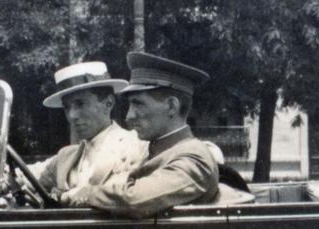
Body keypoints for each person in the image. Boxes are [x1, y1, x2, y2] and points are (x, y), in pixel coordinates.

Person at [61, 52, 220, 218]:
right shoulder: (153, 152)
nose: (129, 116)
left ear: (172, 106)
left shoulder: (194, 158)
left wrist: (84, 193)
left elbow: (135, 199)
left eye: (138, 104)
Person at [33, 61, 146, 195]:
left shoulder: (135, 145)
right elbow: (25, 175)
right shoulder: (66, 156)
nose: (72, 115)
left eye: (80, 104)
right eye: (66, 107)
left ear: (108, 103)